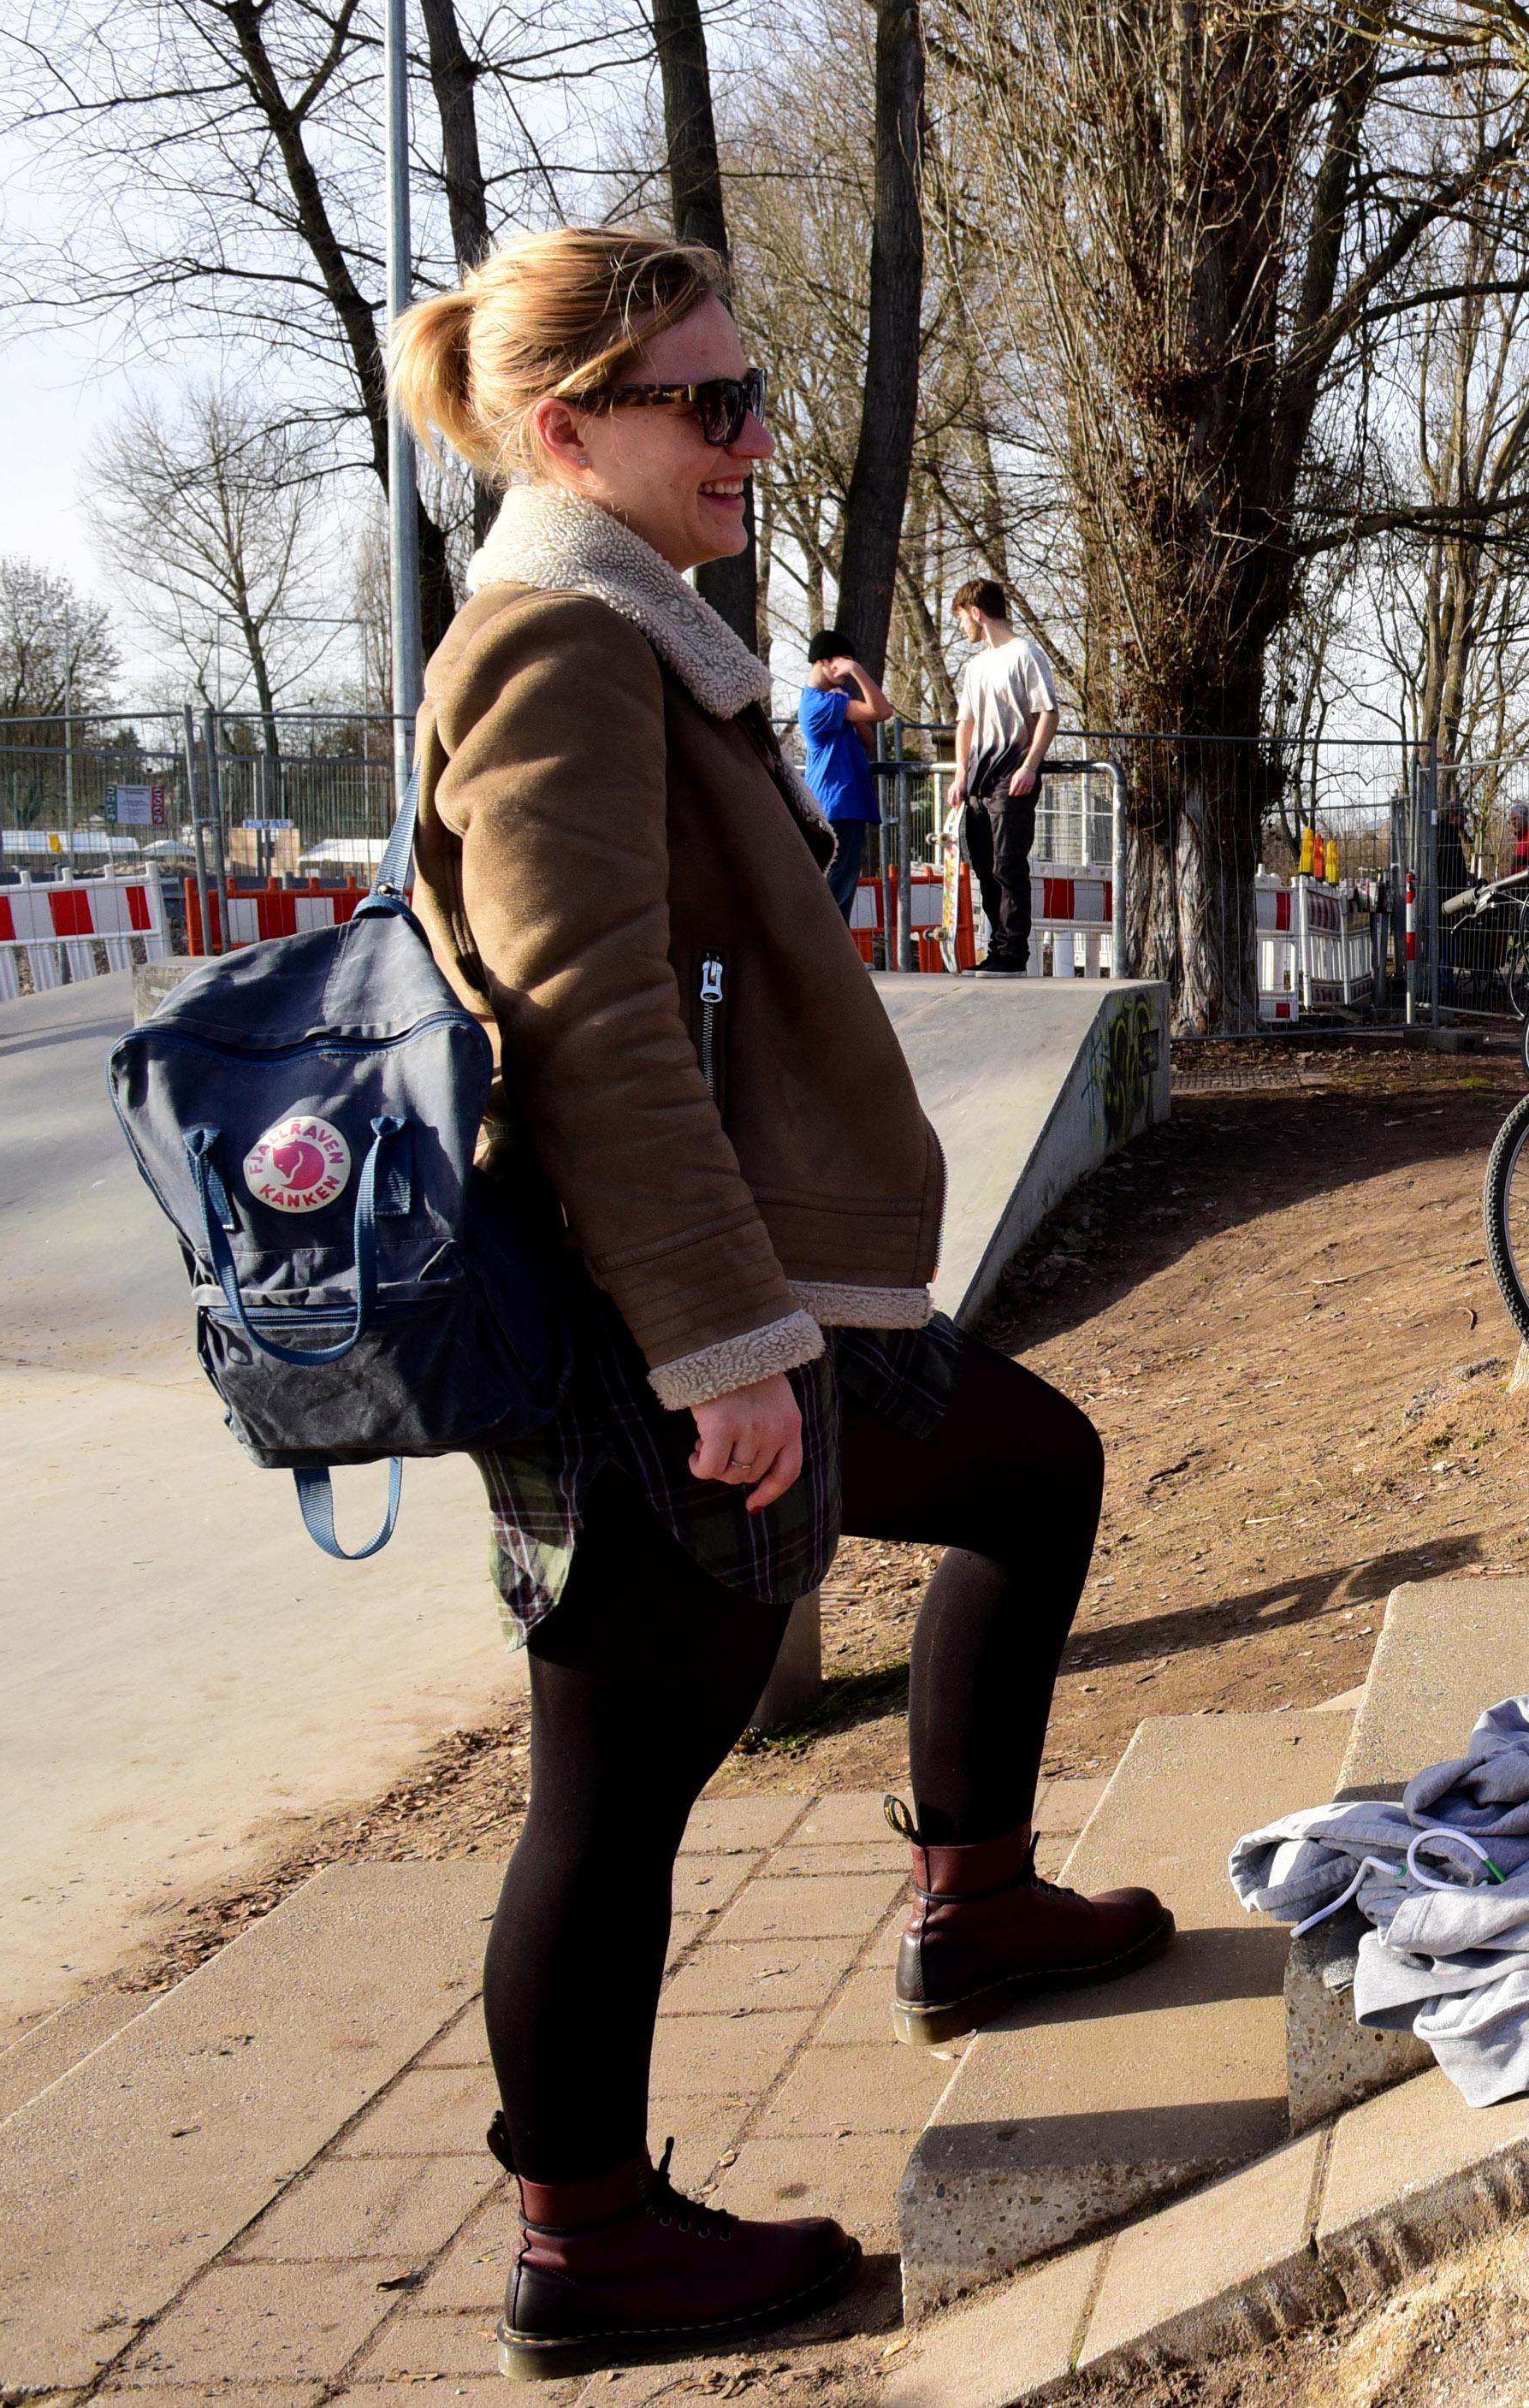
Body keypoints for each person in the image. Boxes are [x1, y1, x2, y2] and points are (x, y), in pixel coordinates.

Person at [387, 225, 1170, 2378]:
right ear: (569, 433)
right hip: (673, 1319)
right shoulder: (551, 642)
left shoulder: (633, 635)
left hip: (769, 1287)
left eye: (753, 396)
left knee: (1031, 1468)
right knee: (618, 1779)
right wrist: (722, 1350)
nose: (751, 439)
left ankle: (976, 1906)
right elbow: (589, 1020)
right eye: (707, 404)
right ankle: (588, 2241)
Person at [946, 578, 1060, 975]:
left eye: (962, 619)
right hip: (979, 776)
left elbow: (1049, 712)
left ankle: (1014, 952)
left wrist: (1030, 765)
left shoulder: (1024, 653)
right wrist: (961, 772)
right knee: (983, 865)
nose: (962, 629)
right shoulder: (976, 666)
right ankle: (998, 947)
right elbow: (966, 723)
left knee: (1007, 863)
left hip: (1011, 773)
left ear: (976, 612)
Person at [795, 624, 895, 926]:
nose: (844, 671)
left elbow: (869, 740)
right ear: (822, 662)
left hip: (847, 801)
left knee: (844, 880)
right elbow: (882, 711)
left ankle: (831, 949)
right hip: (836, 801)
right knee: (837, 883)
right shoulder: (819, 703)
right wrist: (859, 671)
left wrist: (852, 709)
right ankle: (828, 951)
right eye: (840, 663)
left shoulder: (837, 702)